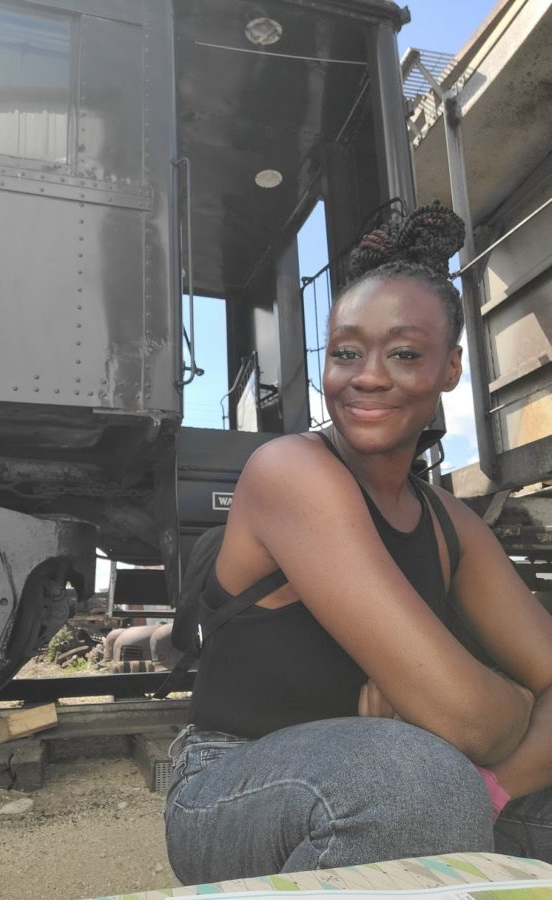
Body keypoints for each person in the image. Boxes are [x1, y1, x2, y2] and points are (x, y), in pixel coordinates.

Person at [164, 204, 552, 884]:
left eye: (404, 353)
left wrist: (489, 786)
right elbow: (469, 724)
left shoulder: (450, 524)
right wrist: (512, 703)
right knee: (412, 780)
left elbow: (479, 727)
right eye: (345, 352)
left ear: (450, 368)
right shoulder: (289, 472)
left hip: (407, 779)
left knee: (426, 778)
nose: (367, 376)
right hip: (244, 785)